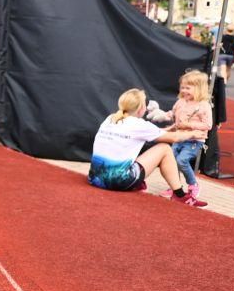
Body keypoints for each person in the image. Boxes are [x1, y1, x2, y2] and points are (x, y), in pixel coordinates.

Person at [88, 88, 207, 206]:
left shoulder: (111, 118)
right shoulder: (140, 125)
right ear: (141, 108)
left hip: (95, 179)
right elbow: (174, 138)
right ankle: (180, 195)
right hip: (118, 182)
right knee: (165, 148)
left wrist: (169, 129)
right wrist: (192, 134)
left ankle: (138, 183)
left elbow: (151, 132)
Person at [151, 70, 212, 199]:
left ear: (199, 89)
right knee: (171, 161)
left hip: (194, 140)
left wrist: (189, 125)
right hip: (178, 137)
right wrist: (163, 116)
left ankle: (193, 185)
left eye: (188, 88)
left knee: (181, 160)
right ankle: (175, 187)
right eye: (182, 87)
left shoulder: (203, 105)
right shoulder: (181, 102)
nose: (184, 90)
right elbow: (173, 114)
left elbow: (208, 125)